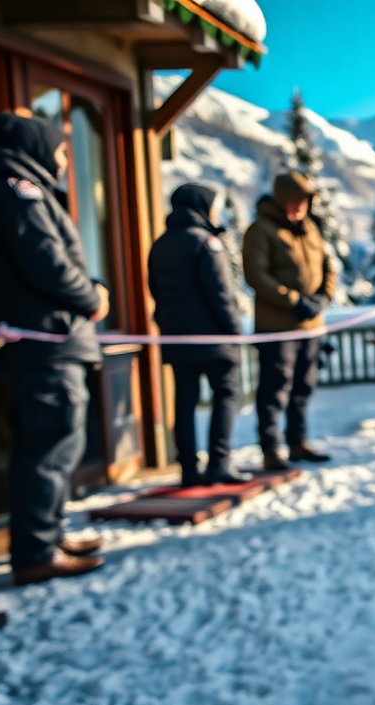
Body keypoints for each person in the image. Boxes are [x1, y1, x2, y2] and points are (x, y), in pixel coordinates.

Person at [0, 114, 108, 585]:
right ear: (36, 148)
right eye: (61, 151)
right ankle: (36, 550)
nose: (66, 161)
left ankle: (47, 533)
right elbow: (49, 263)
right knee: (51, 444)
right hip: (46, 341)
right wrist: (93, 296)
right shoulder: (17, 192)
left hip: (37, 340)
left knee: (49, 445)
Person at [149, 183, 249, 487]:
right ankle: (219, 463)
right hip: (213, 340)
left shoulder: (160, 244)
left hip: (176, 339)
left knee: (184, 401)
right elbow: (221, 295)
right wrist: (235, 332)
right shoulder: (207, 243)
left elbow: (155, 290)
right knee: (227, 395)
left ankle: (189, 469)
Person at [243, 172, 336, 470]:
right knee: (275, 388)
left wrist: (322, 298)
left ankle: (298, 442)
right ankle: (271, 448)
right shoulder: (262, 231)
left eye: (304, 202)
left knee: (302, 388)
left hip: (311, 326)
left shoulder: (310, 229)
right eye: (295, 201)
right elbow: (256, 275)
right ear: (282, 200)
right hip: (277, 328)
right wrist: (293, 301)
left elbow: (329, 267)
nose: (300, 207)